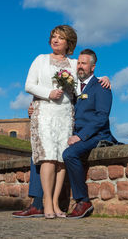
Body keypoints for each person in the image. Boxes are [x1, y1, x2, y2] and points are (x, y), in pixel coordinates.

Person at [12, 25, 110, 219]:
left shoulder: (73, 64)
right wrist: (48, 94)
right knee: (47, 156)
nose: (55, 40)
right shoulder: (40, 60)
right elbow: (29, 85)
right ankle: (46, 202)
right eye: (53, 37)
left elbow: (87, 76)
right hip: (46, 112)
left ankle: (56, 203)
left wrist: (104, 78)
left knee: (60, 159)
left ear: (69, 43)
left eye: (61, 38)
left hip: (65, 114)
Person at [64, 49, 116, 218]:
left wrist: (80, 136)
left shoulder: (101, 86)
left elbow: (102, 117)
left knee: (69, 154)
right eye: (78, 63)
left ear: (92, 67)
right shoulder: (74, 87)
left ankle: (83, 201)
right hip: (79, 135)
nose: (80, 66)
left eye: (84, 63)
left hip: (97, 135)